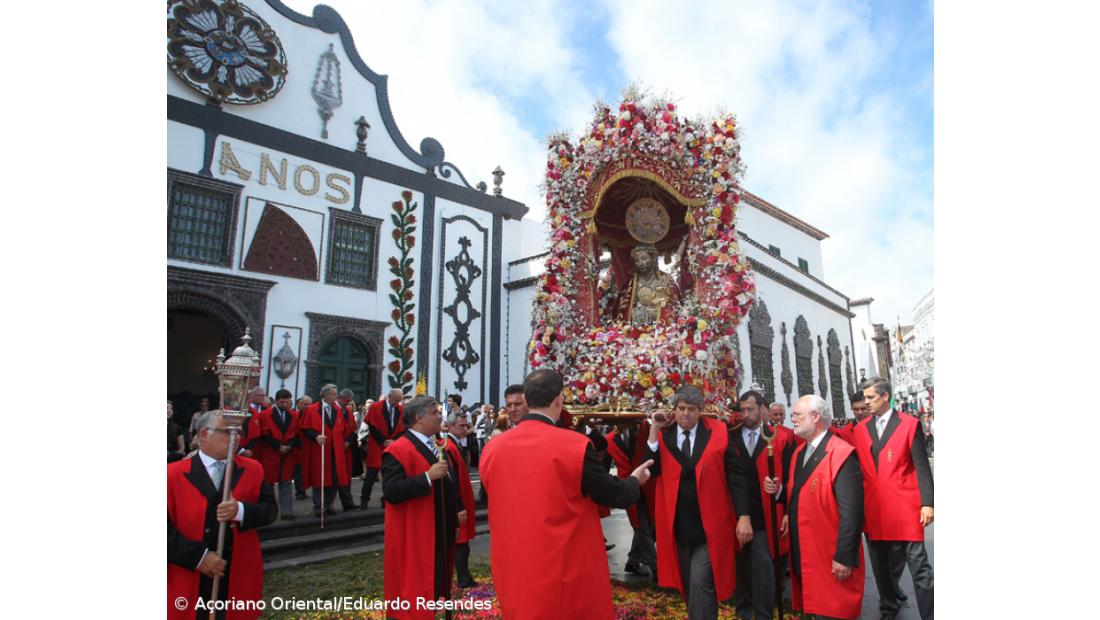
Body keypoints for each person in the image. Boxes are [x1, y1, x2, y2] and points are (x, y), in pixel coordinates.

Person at [480, 369, 651, 619]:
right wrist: (635, 479)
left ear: (526, 400)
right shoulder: (574, 446)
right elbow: (615, 494)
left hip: (514, 563)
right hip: (564, 566)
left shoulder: (493, 448)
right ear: (559, 400)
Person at [168, 410, 277, 619]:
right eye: (227, 432)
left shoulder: (253, 469)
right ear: (203, 435)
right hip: (189, 573)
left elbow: (270, 510)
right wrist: (199, 558)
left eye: (239, 432)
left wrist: (241, 511)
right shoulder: (171, 475)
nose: (236, 438)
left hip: (237, 572)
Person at [645, 385, 739, 620]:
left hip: (710, 526)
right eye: (681, 408)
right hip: (679, 526)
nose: (686, 413)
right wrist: (654, 429)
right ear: (674, 410)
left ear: (700, 411)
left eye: (692, 409)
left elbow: (736, 477)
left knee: (700, 582)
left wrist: (743, 515)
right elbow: (650, 470)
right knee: (688, 584)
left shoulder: (718, 432)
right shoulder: (664, 435)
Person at [851, 378, 934, 620]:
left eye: (871, 397)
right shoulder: (860, 429)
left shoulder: (908, 424)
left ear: (885, 396)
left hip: (906, 507)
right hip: (874, 508)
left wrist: (928, 503)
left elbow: (921, 466)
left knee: (920, 568)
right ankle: (888, 607)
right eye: (865, 398)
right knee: (881, 567)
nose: (866, 402)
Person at [776, 395, 865, 620]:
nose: (792, 419)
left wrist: (845, 557)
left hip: (830, 552)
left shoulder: (841, 453)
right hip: (807, 549)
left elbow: (852, 512)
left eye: (797, 415)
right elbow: (799, 492)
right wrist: (779, 493)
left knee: (833, 611)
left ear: (815, 417)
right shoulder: (800, 453)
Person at [382, 396, 465, 620]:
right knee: (417, 584)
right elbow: (391, 492)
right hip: (417, 531)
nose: (440, 417)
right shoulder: (398, 449)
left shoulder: (437, 445)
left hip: (439, 527)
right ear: (419, 418)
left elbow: (449, 482)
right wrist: (427, 477)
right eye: (435, 413)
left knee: (437, 582)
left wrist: (454, 516)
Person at [729, 390, 795, 620]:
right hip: (736, 514)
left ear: (762, 409)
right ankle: (744, 614)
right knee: (741, 571)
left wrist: (787, 510)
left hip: (767, 516)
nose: (746, 414)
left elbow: (791, 477)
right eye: (742, 410)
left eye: (750, 409)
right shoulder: (730, 437)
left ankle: (763, 615)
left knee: (764, 572)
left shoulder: (779, 438)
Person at [604, 418, 658, 579]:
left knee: (651, 527)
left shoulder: (645, 430)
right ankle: (656, 568)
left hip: (649, 485)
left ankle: (633, 560)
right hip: (628, 487)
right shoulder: (609, 440)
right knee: (640, 527)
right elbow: (604, 466)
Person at [300, 384, 352, 518]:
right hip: (320, 450)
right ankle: (319, 507)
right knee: (320, 479)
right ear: (326, 395)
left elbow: (343, 428)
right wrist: (316, 436)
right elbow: (306, 428)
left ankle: (329, 505)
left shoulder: (337, 409)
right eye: (334, 394)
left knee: (334, 479)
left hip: (335, 450)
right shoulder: (312, 409)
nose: (336, 396)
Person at [445, 411, 479, 588]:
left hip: (461, 499)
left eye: (466, 426)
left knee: (462, 543)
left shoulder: (454, 445)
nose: (465, 429)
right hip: (458, 502)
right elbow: (452, 479)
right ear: (450, 426)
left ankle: (463, 577)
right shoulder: (449, 447)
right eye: (461, 426)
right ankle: (464, 578)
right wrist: (458, 505)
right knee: (461, 543)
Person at [257, 389, 302, 520]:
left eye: (287, 402)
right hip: (271, 452)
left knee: (286, 482)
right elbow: (264, 433)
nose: (285, 404)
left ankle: (287, 512)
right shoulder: (265, 415)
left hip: (287, 453)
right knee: (269, 484)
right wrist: (278, 446)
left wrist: (289, 446)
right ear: (277, 401)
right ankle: (270, 512)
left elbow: (297, 433)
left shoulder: (294, 415)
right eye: (282, 402)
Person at [363, 389, 406, 509]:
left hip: (392, 446)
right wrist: (383, 441)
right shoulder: (376, 407)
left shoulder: (400, 409)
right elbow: (372, 426)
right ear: (390, 397)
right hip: (377, 445)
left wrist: (393, 441)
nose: (397, 403)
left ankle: (386, 499)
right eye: (395, 400)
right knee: (371, 475)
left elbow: (402, 428)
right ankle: (364, 500)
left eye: (399, 401)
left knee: (389, 475)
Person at [334, 389, 360, 511]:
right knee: (334, 476)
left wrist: (349, 442)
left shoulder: (348, 412)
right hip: (335, 449)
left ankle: (348, 502)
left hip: (347, 449)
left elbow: (353, 430)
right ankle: (328, 505)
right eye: (346, 401)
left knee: (346, 476)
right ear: (339, 399)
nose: (348, 403)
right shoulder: (333, 410)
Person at [292, 395, 313, 500]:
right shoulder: (295, 415)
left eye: (309, 404)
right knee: (298, 471)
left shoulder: (314, 415)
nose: (307, 406)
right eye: (305, 404)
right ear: (298, 405)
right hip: (299, 447)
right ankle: (300, 491)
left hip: (311, 446)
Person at [240, 387, 266, 458]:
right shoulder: (244, 409)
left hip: (261, 445)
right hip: (246, 443)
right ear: (252, 396)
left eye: (264, 395)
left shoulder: (266, 409)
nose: (263, 398)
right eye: (260, 395)